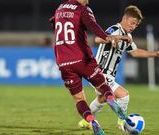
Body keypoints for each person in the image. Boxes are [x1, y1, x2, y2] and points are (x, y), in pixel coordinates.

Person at [78, 5, 159, 131]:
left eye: (136, 25)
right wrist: (113, 39)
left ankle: (86, 121)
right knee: (124, 96)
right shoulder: (114, 29)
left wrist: (156, 53)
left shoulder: (128, 36)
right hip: (100, 72)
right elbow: (98, 39)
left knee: (101, 99)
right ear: (124, 18)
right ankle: (122, 123)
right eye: (132, 23)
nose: (133, 26)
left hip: (108, 75)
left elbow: (135, 52)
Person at [50, 0, 134, 135]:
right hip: (82, 58)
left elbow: (54, 22)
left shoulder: (59, 8)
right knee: (102, 84)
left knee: (79, 100)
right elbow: (93, 26)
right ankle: (111, 99)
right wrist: (109, 37)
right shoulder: (83, 9)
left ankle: (91, 120)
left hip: (63, 61)